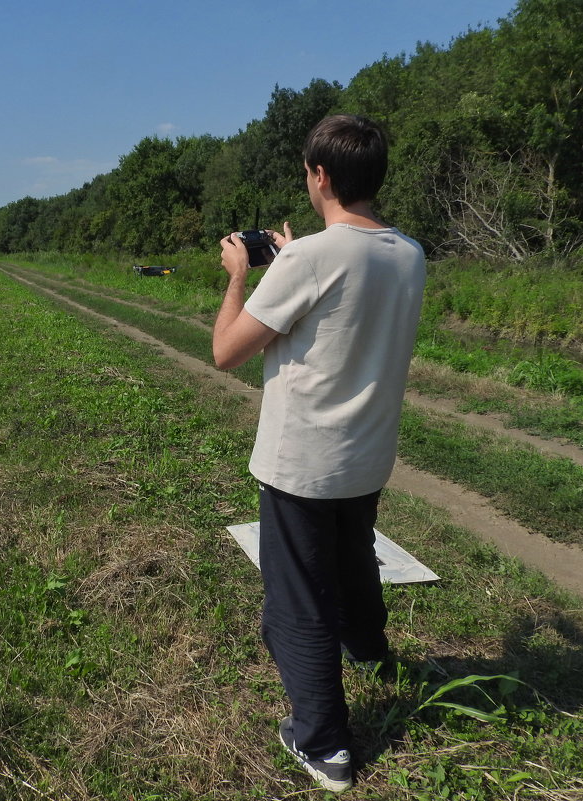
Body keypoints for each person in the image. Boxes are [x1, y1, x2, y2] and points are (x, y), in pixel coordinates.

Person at [213, 114, 425, 793]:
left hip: (302, 461)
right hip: (366, 455)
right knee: (354, 558)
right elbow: (343, 301)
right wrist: (301, 254)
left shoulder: (309, 260)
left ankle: (324, 744)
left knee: (297, 598)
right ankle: (369, 648)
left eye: (309, 173)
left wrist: (240, 275)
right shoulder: (408, 252)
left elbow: (227, 351)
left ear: (321, 175)